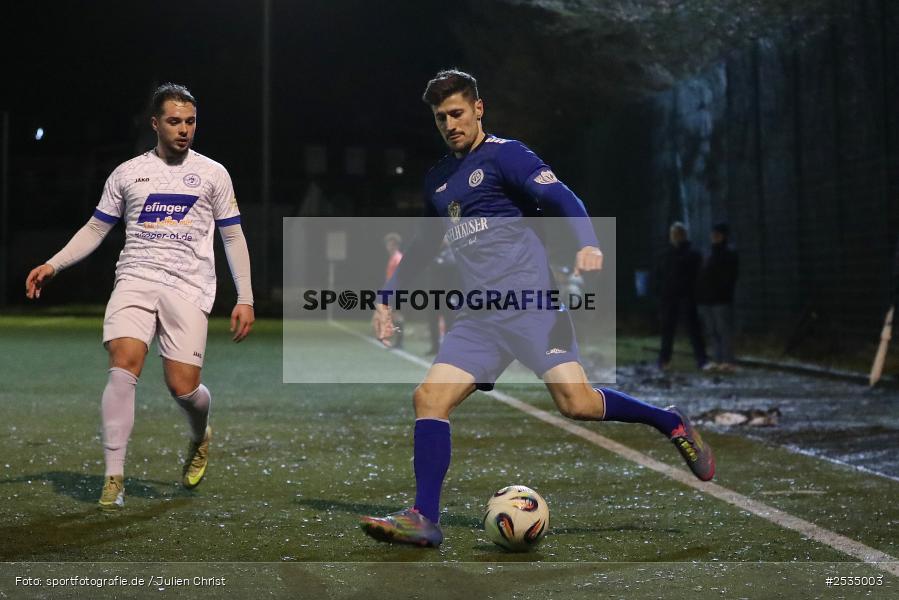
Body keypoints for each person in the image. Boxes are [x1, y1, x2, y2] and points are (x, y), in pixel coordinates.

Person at [360, 70, 715, 548]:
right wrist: (386, 298)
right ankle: (425, 517)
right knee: (429, 398)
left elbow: (561, 196)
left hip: (531, 308)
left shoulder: (507, 155)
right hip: (478, 320)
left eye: (457, 113)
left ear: (478, 109)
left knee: (578, 404)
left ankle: (667, 420)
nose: (449, 123)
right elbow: (424, 247)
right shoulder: (438, 181)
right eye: (440, 117)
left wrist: (588, 243)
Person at [25, 83, 255, 510]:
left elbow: (233, 235)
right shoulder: (128, 173)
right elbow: (96, 228)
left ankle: (199, 433)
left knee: (183, 388)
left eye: (190, 122)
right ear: (155, 123)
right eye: (174, 121)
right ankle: (114, 479)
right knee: (124, 364)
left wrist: (246, 297)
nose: (184, 129)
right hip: (134, 279)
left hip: (188, 286)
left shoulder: (213, 174)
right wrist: (54, 264)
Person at [656, 222, 707, 370]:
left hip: (684, 296)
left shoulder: (689, 255)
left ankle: (700, 359)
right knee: (670, 330)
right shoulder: (675, 254)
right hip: (674, 296)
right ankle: (666, 359)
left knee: (691, 329)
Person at [696, 223, 739, 371]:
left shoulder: (727, 254)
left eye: (717, 234)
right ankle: (718, 359)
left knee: (722, 330)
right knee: (713, 330)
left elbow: (728, 277)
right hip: (708, 298)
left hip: (720, 298)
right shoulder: (710, 254)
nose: (714, 237)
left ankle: (727, 360)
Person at [383, 233, 405, 349]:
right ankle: (397, 339)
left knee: (397, 315)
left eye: (392, 244)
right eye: (388, 244)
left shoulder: (397, 258)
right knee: (394, 315)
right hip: (391, 290)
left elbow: (400, 276)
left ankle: (400, 341)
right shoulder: (393, 258)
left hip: (396, 290)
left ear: (397, 245)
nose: (389, 247)